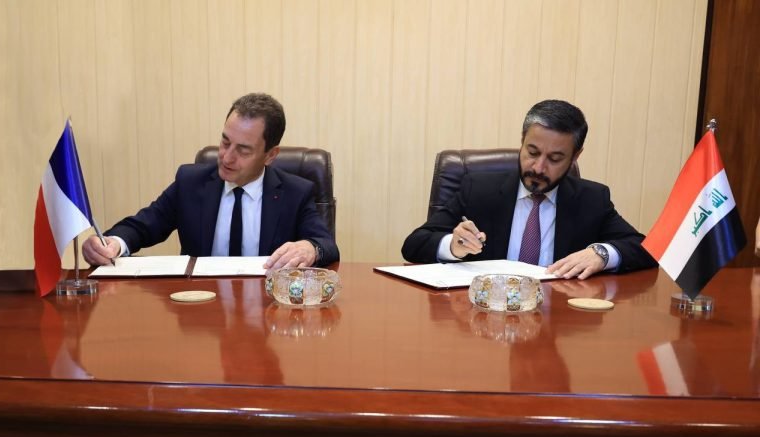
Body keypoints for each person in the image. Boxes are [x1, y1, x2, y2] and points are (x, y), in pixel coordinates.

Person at [401, 99, 657, 279]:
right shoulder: (478, 189)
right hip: (486, 321)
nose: (539, 167)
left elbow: (645, 248)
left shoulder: (591, 199)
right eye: (532, 152)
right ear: (522, 141)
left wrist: (601, 254)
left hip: (558, 318)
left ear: (575, 156)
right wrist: (454, 246)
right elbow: (414, 244)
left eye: (555, 158)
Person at [82, 93, 339, 269]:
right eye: (225, 142)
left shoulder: (295, 192)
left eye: (243, 150)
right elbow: (142, 226)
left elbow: (326, 245)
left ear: (270, 155)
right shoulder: (190, 182)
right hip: (201, 311)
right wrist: (113, 244)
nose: (227, 157)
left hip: (266, 312)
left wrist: (310, 248)